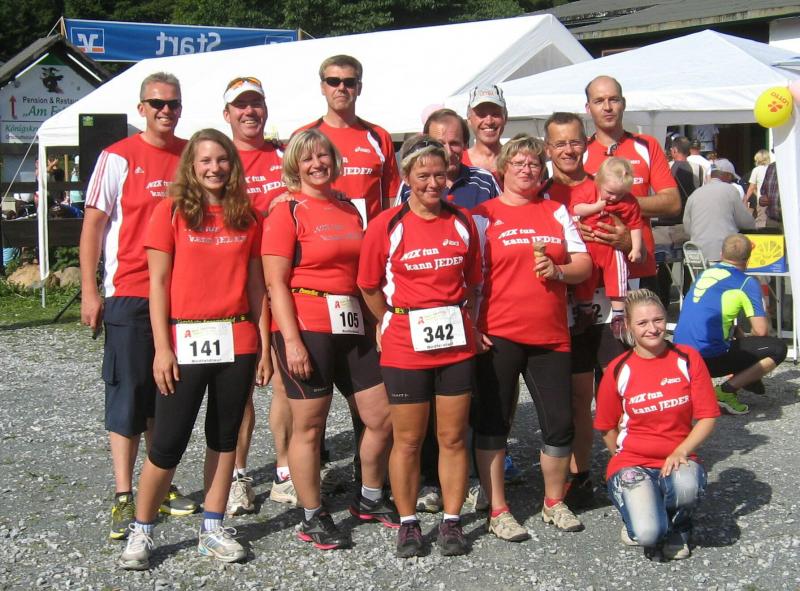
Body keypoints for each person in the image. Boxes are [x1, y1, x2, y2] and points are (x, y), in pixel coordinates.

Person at [118, 128, 271, 570]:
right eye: (205, 160)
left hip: (237, 339)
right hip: (185, 340)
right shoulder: (170, 212)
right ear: (191, 165)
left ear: (232, 166)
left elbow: (256, 286)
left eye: (222, 160)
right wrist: (162, 348)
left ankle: (212, 527)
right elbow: (158, 284)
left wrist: (264, 346)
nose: (214, 168)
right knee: (167, 442)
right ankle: (142, 529)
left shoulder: (247, 216)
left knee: (224, 439)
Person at [262, 129, 396, 551]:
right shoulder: (286, 210)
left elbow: (362, 271)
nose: (317, 164)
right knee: (309, 426)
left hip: (351, 322)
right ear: (295, 166)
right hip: (308, 324)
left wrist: (377, 323)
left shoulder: (348, 208)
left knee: (381, 416)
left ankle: (369, 496)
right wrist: (291, 341)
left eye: (323, 156)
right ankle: (312, 514)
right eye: (307, 158)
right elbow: (275, 282)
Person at [79, 72, 197, 542]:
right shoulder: (117, 157)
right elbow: (93, 225)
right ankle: (124, 495)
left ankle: (159, 485)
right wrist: (91, 291)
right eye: (157, 103)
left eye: (173, 104)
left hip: (182, 294)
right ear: (141, 108)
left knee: (166, 391)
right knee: (127, 394)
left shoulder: (192, 154)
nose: (166, 111)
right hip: (131, 291)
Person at [358, 136, 481, 558]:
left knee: (453, 438)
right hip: (405, 344)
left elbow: (473, 281)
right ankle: (408, 521)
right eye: (423, 175)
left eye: (440, 175)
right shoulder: (387, 224)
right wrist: (388, 318)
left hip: (455, 344)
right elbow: (368, 285)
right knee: (408, 440)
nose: (433, 183)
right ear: (407, 177)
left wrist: (469, 320)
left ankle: (452, 519)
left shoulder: (462, 221)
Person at [471, 135, 592, 541]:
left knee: (559, 422)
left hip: (550, 335)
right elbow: (469, 276)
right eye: (519, 162)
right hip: (498, 332)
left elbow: (583, 263)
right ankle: (498, 508)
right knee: (493, 422)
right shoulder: (483, 214)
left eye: (535, 164)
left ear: (543, 171)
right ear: (503, 168)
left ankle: (554, 501)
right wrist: (472, 325)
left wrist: (559, 271)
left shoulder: (555, 211)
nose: (527, 169)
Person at [539, 111, 632, 510]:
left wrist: (626, 240)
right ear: (548, 148)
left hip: (610, 305)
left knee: (618, 391)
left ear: (586, 143)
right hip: (569, 307)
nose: (568, 150)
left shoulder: (606, 184)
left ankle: (630, 469)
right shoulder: (541, 193)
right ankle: (581, 475)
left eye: (575, 141)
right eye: (559, 143)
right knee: (579, 397)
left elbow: (637, 241)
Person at [595, 288, 719, 562]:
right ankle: (641, 515)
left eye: (658, 320)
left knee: (685, 486)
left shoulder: (687, 358)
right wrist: (622, 459)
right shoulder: (618, 368)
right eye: (642, 323)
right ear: (628, 326)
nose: (652, 329)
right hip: (633, 460)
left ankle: (680, 526)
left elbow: (708, 416)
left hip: (677, 457)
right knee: (648, 534)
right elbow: (605, 425)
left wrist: (681, 451)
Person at [220, 75, 292, 515]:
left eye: (256, 104)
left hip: (282, 279)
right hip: (235, 281)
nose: (250, 112)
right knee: (240, 385)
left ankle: (285, 471)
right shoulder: (218, 159)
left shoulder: (285, 156)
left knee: (286, 380)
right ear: (226, 113)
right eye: (241, 105)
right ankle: (236, 476)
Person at [674, 234, 788, 415]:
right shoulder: (746, 282)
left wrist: (739, 334)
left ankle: (746, 377)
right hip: (708, 360)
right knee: (777, 348)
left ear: (721, 254)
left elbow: (706, 315)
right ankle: (725, 392)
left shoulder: (705, 274)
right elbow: (761, 331)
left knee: (737, 335)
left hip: (680, 356)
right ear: (748, 258)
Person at [296, 54, 400, 222]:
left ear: (359, 88)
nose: (341, 88)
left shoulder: (379, 136)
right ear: (322, 87)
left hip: (368, 235)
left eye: (349, 82)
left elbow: (391, 197)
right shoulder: (302, 136)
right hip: (318, 233)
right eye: (333, 81)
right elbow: (291, 190)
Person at [572, 157, 643, 339]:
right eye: (610, 192)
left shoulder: (629, 202)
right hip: (589, 246)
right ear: (599, 182)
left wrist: (636, 248)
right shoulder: (589, 190)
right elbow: (576, 209)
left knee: (617, 277)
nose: (614, 198)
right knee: (585, 278)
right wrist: (596, 206)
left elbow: (636, 225)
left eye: (620, 194)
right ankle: (585, 312)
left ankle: (618, 315)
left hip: (612, 248)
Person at [397, 108, 500, 209]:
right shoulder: (411, 184)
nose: (449, 152)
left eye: (454, 143)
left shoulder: (485, 181)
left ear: (465, 144)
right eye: (440, 144)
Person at [683, 159, 754, 263]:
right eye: (732, 177)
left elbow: (687, 227)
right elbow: (746, 222)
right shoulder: (730, 190)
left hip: (697, 256)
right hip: (724, 254)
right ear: (728, 176)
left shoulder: (695, 193)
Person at [463, 85, 507, 183]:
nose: (489, 121)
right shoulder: (458, 164)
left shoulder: (518, 163)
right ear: (469, 119)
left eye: (495, 114)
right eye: (481, 114)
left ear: (505, 118)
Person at [744, 149, 770, 228]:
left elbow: (752, 187)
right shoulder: (772, 168)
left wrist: (746, 199)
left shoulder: (756, 170)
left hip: (762, 201)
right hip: (773, 199)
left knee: (761, 221)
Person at [759, 161, 782, 230]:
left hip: (794, 222)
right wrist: (762, 199)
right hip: (772, 222)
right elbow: (763, 191)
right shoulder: (772, 167)